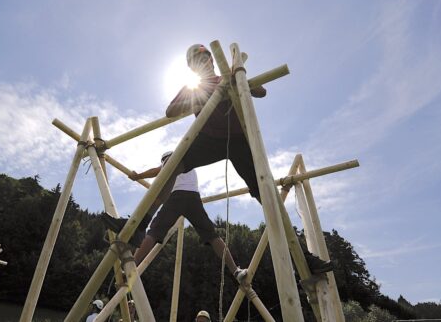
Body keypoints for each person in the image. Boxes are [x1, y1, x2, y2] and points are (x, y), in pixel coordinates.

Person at [108, 44, 333, 275]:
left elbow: (261, 91)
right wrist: (206, 95)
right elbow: (171, 111)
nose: (202, 63)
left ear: (211, 60)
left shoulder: (226, 77)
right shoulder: (194, 87)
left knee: (266, 196)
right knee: (173, 164)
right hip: (208, 138)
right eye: (196, 61)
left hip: (238, 140)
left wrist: (238, 78)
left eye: (204, 58)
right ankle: (139, 225)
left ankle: (303, 258)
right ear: (192, 68)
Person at [104, 152, 249, 284]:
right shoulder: (190, 162)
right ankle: (235, 270)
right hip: (193, 198)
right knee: (212, 235)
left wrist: (138, 176)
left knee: (154, 231)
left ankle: (132, 265)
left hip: (176, 197)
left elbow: (158, 171)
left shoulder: (171, 159)